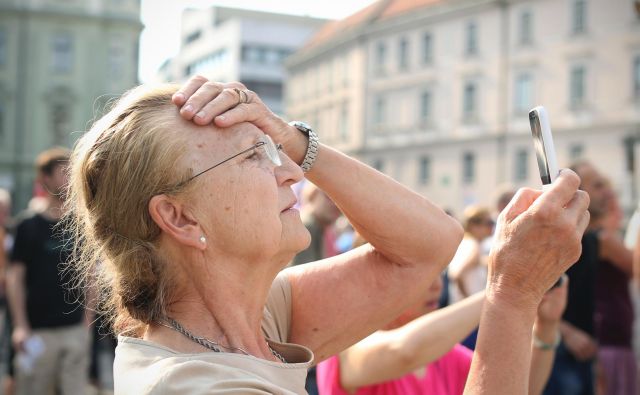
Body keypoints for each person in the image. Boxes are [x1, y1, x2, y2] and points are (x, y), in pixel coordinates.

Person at [65, 76, 588, 394]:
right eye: (253, 157)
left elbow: (430, 246)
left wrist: (291, 138)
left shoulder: (248, 316)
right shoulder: (202, 386)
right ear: (180, 219)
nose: (291, 173)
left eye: (274, 152)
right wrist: (513, 294)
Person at [317, 234, 568, 395]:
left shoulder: (445, 354)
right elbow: (404, 351)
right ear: (374, 278)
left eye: (440, 270)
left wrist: (546, 326)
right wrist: (503, 290)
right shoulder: (347, 345)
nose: (437, 284)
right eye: (420, 272)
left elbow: (519, 388)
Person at [6, 148, 91, 395]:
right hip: (37, 332)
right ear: (45, 178)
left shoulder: (80, 225)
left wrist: (87, 322)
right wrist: (20, 326)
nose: (70, 179)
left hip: (75, 330)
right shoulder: (27, 226)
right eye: (64, 173)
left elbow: (90, 276)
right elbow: (15, 278)